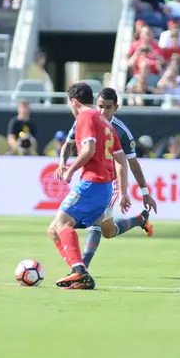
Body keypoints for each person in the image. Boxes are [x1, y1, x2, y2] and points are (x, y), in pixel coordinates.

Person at [57, 88, 157, 270]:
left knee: (95, 221)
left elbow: (131, 163)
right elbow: (68, 145)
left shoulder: (121, 131)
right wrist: (61, 163)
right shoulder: (85, 120)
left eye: (108, 107)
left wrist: (144, 192)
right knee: (108, 231)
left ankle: (81, 268)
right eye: (100, 106)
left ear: (116, 107)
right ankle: (140, 220)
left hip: (111, 181)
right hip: (91, 178)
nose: (103, 111)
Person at [48, 83, 130, 290]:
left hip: (93, 183)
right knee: (54, 230)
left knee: (60, 224)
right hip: (104, 187)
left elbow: (89, 149)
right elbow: (120, 158)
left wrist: (70, 169)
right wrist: (123, 190)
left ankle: (78, 272)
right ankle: (79, 272)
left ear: (73, 102)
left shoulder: (85, 116)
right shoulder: (106, 122)